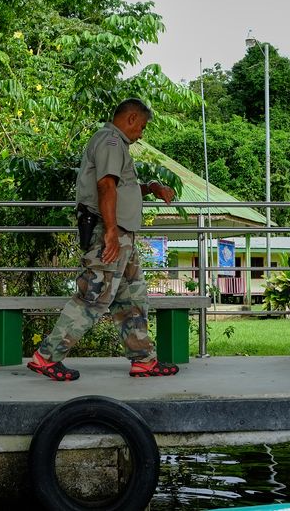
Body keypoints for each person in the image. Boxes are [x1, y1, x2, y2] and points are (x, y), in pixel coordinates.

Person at [28, 98, 179, 381]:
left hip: (122, 236)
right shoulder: (111, 142)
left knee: (132, 298)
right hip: (111, 232)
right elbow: (105, 185)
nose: (142, 134)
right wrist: (110, 232)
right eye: (142, 127)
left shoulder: (115, 144)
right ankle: (47, 357)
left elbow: (122, 187)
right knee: (93, 297)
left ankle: (143, 360)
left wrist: (152, 188)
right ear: (131, 119)